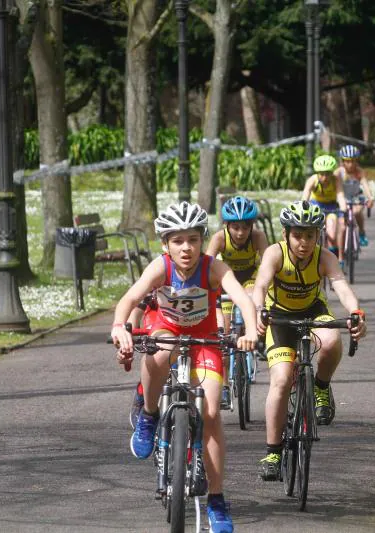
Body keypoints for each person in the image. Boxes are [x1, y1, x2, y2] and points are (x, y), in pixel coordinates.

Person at [111, 201, 258, 533]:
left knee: (210, 412)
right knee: (160, 351)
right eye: (177, 240)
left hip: (206, 339)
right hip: (169, 331)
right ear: (166, 244)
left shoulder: (213, 268)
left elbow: (242, 298)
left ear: (202, 240)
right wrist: (120, 326)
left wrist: (249, 331)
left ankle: (217, 502)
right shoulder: (160, 267)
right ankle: (149, 415)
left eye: (192, 239)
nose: (186, 247)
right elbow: (130, 298)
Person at [251, 200, 367, 481]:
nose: (304, 242)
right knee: (280, 381)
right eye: (298, 235)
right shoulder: (275, 254)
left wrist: (356, 313)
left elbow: (342, 287)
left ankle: (321, 387)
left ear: (318, 236)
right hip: (279, 318)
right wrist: (257, 311)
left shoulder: (324, 257)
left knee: (330, 340)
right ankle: (273, 451)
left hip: (313, 312)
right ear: (286, 234)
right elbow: (261, 284)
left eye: (310, 235)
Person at [206, 195, 269, 407]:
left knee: (253, 298)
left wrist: (264, 290)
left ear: (252, 225)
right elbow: (206, 266)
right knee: (222, 334)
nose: (240, 233)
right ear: (227, 226)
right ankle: (224, 386)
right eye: (235, 227)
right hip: (227, 281)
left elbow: (268, 266)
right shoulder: (219, 238)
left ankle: (259, 338)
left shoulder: (257, 237)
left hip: (250, 278)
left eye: (245, 227)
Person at [301, 154, 348, 266]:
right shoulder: (312, 180)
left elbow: (340, 196)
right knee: (310, 231)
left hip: (331, 207)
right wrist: (304, 208)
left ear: (332, 173)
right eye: (321, 174)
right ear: (317, 173)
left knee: (331, 235)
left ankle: (333, 258)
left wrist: (343, 210)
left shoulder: (336, 180)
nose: (325, 178)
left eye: (327, 174)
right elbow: (305, 196)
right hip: (316, 206)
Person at [336, 144, 374, 247]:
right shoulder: (339, 172)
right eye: (347, 161)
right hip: (343, 197)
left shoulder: (359, 172)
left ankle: (361, 232)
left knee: (357, 212)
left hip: (356, 196)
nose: (350, 164)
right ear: (343, 161)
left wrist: (370, 198)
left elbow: (365, 185)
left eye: (353, 161)